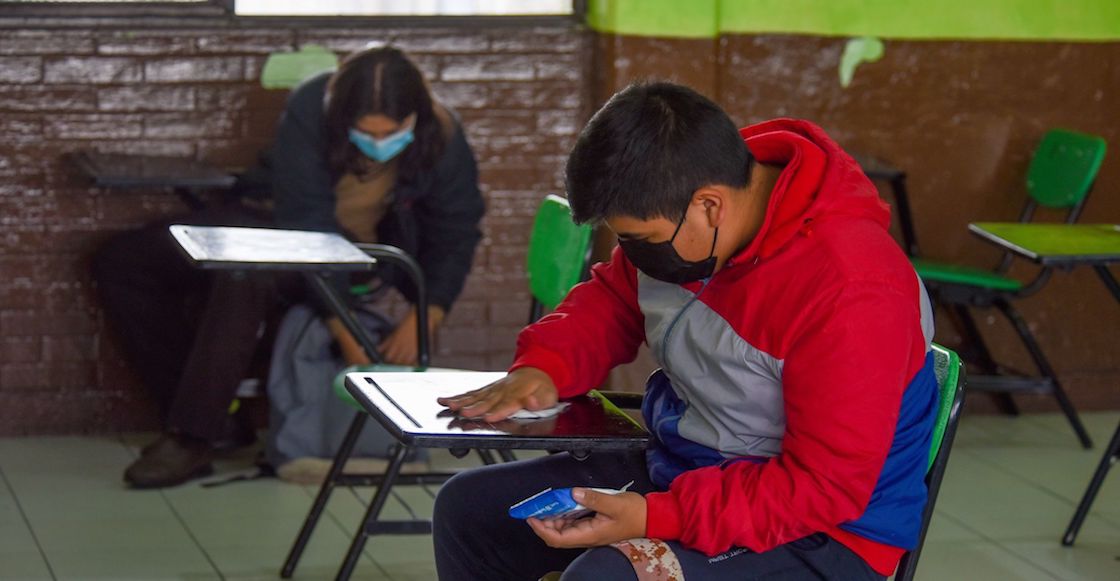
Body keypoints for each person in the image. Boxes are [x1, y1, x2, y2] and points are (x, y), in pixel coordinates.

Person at [432, 81, 936, 581]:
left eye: (641, 238)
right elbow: (612, 300)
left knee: (602, 578)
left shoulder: (852, 289)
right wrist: (544, 368)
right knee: (470, 512)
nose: (635, 254)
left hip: (824, 533)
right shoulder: (686, 212)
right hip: (688, 468)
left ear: (710, 206)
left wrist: (654, 517)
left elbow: (823, 489)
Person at [92, 45, 484, 489]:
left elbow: (457, 231)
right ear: (341, 115)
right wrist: (345, 331)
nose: (378, 145)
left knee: (243, 274)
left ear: (415, 118)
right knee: (123, 262)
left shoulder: (441, 132)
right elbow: (306, 226)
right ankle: (214, 418)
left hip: (362, 257)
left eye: (391, 133)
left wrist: (426, 315)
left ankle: (192, 436)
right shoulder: (311, 106)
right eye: (364, 131)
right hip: (285, 226)